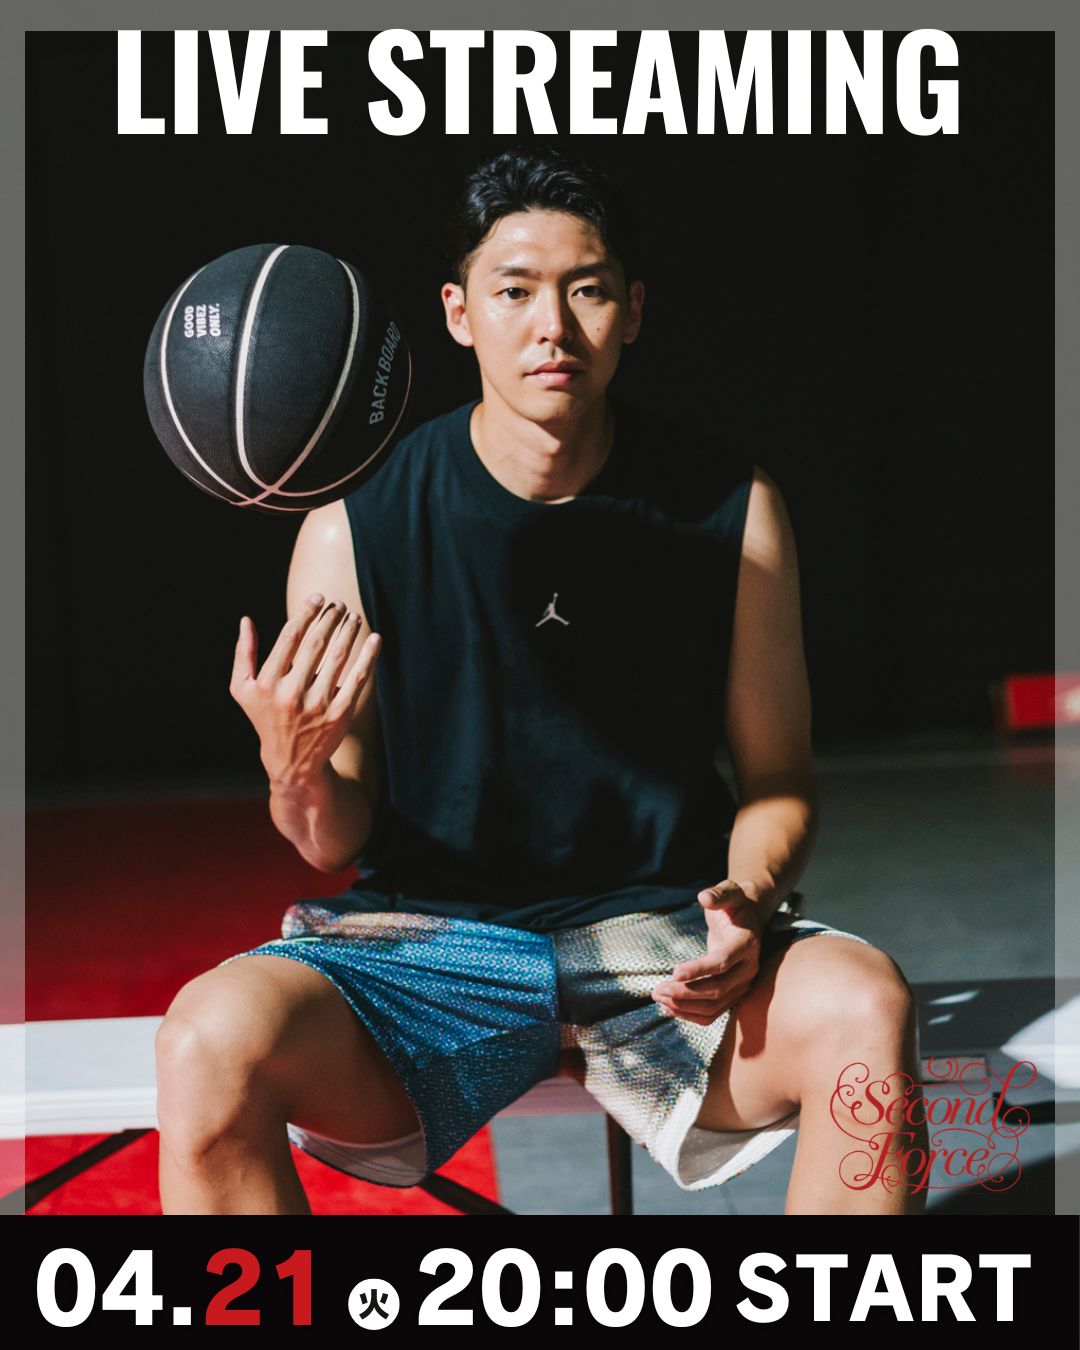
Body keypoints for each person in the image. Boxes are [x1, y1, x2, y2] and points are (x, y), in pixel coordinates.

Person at [154, 148, 928, 1215]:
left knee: (866, 1010)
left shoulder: (732, 507)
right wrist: (293, 772)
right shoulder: (351, 529)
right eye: (514, 291)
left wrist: (747, 902)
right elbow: (331, 839)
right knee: (207, 1040)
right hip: (428, 952)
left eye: (587, 290)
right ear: (459, 312)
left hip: (664, 939)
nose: (551, 327)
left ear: (633, 309)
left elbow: (779, 783)